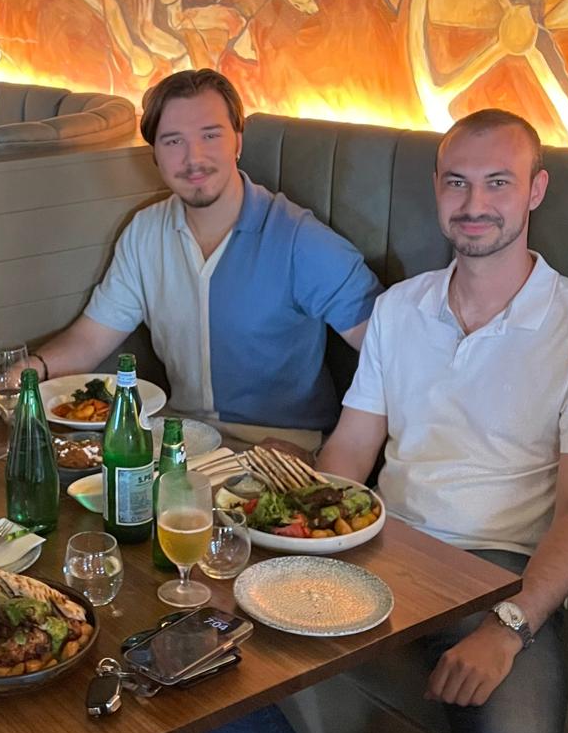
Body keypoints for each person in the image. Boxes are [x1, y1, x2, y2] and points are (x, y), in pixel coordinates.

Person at [316, 109, 568, 733]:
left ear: (535, 190)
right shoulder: (401, 308)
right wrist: (300, 538)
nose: (475, 205)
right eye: (457, 184)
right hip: (381, 545)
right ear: (436, 188)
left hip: (498, 574)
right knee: (215, 657)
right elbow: (350, 447)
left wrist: (509, 626)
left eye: (498, 183)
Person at [24, 68, 382, 450]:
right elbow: (91, 339)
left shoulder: (300, 240)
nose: (193, 157)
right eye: (173, 141)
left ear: (237, 142)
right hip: (179, 437)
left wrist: (340, 454)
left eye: (210, 135)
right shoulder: (145, 232)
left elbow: (391, 353)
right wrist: (29, 374)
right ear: (156, 156)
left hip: (283, 446)